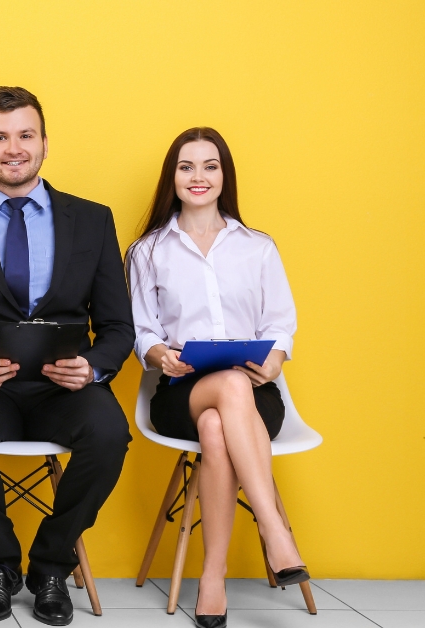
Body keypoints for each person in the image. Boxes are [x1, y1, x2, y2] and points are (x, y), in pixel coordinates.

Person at [0, 86, 134, 626]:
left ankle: (52, 564)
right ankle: (0, 565)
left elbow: (117, 327)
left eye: (25, 135)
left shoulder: (93, 219)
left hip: (67, 388)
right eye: (0, 137)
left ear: (44, 143)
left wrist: (95, 367)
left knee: (110, 435)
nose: (13, 147)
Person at [127, 127, 308, 628]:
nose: (198, 177)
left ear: (224, 176)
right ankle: (273, 530)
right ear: (173, 176)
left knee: (216, 427)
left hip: (255, 394)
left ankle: (212, 578)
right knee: (224, 390)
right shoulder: (147, 251)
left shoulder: (258, 247)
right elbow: (143, 331)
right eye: (187, 166)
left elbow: (280, 324)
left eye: (210, 166)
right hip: (181, 391)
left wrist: (274, 360)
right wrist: (161, 356)